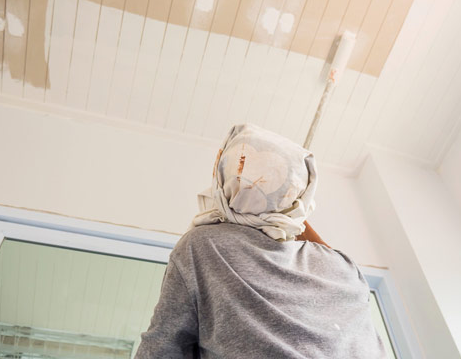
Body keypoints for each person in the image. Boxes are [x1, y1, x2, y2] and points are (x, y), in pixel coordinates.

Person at [134, 123, 388, 358]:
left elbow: (161, 348)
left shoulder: (202, 245)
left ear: (220, 177)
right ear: (302, 195)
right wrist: (288, 210)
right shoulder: (343, 267)